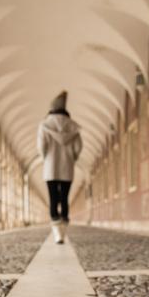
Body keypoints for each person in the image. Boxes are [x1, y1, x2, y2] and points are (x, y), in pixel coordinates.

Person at [37, 90, 82, 244]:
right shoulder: (73, 127)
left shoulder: (44, 125)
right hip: (67, 168)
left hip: (50, 168)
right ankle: (63, 233)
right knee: (64, 199)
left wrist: (46, 158)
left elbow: (41, 146)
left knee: (53, 199)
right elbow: (78, 148)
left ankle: (57, 234)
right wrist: (71, 158)